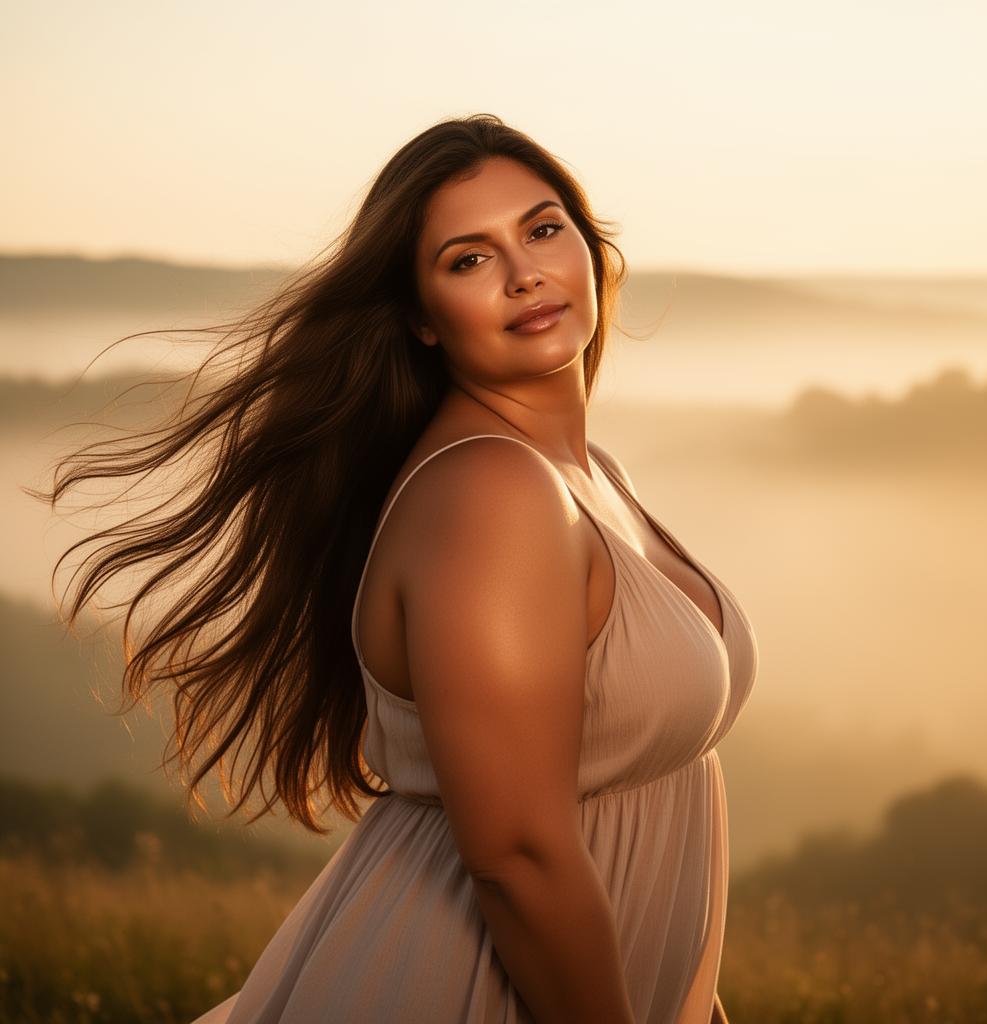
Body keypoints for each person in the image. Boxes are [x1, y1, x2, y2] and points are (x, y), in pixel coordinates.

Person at [37, 114, 758, 1023]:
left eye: (542, 229)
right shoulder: (494, 494)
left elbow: (658, 818)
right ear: (420, 316)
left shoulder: (584, 473)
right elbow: (519, 857)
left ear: (589, 248)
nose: (523, 271)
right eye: (468, 258)